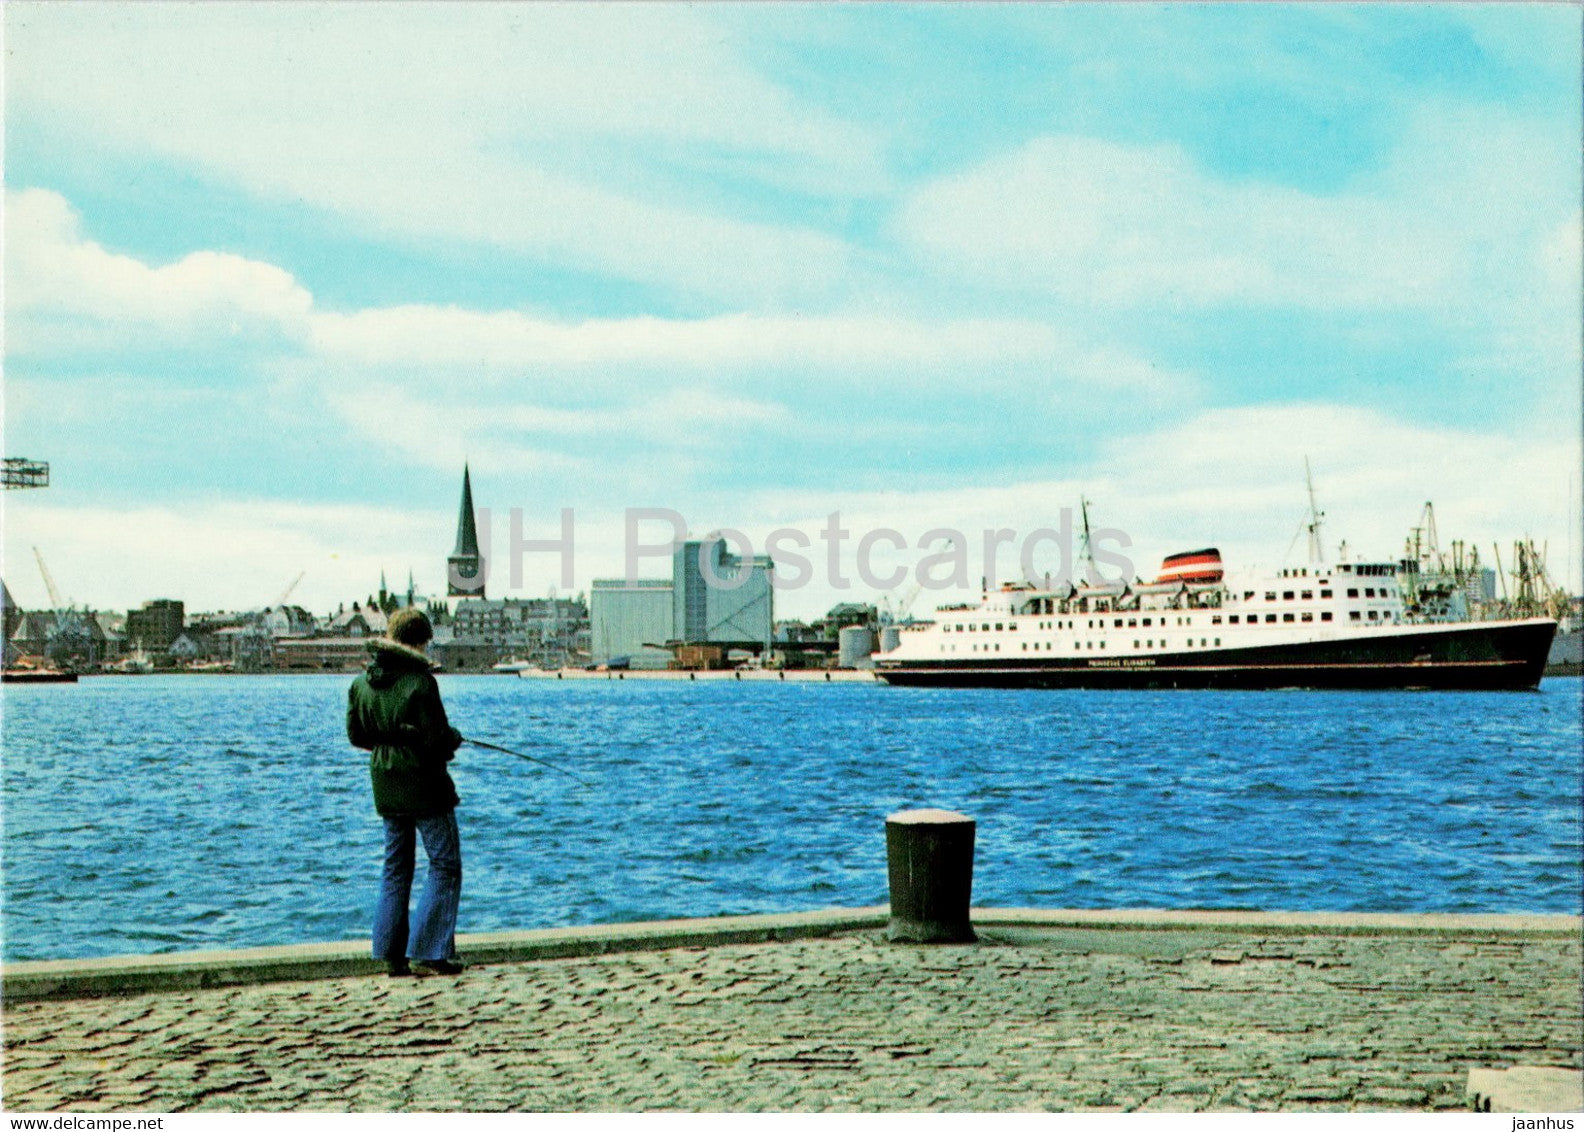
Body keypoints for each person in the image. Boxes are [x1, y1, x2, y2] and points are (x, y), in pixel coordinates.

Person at [347, 608, 466, 977]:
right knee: (444, 863)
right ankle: (429, 951)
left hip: (384, 780)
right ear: (420, 641)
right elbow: (437, 742)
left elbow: (357, 737)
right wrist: (453, 740)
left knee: (396, 866)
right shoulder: (420, 683)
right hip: (424, 782)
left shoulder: (361, 684)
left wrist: (392, 742)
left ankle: (389, 953)